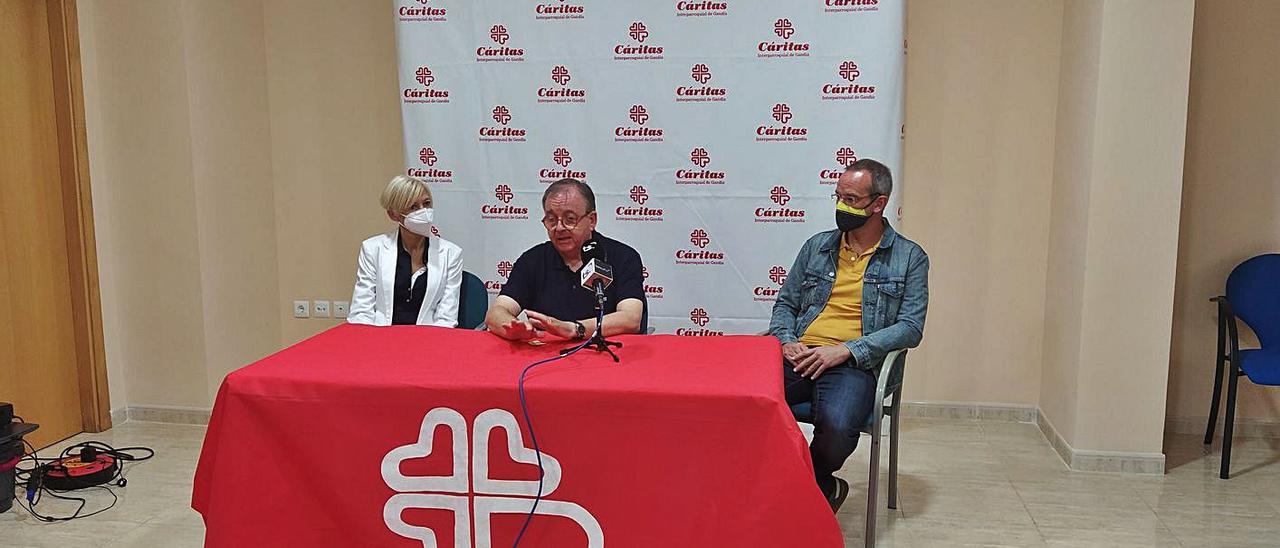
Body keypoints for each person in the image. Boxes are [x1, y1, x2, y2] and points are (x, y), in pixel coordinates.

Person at [769, 158, 929, 512]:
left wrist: (847, 350)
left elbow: (910, 327)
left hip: (854, 363)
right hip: (801, 353)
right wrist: (786, 340)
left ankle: (809, 484)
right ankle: (780, 486)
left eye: (852, 199)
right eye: (838, 196)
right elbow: (786, 304)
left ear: (879, 203)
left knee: (839, 426)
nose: (842, 206)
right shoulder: (817, 246)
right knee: (741, 400)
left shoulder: (909, 257)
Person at [485, 178, 645, 341]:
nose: (559, 228)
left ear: (592, 220)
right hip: (546, 355)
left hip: (606, 353)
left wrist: (575, 329)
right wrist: (514, 327)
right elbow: (496, 312)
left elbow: (631, 319)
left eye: (570, 219)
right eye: (551, 220)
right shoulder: (533, 260)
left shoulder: (623, 257)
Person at [348, 175, 462, 327]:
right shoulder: (373, 249)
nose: (424, 212)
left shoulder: (451, 253)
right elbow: (361, 311)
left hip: (429, 340)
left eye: (427, 204)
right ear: (393, 214)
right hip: (381, 339)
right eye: (413, 207)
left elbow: (446, 317)